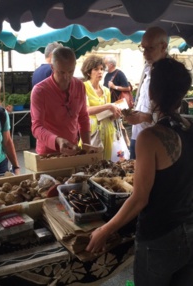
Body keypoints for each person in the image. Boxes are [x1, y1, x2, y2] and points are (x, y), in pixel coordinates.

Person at [86, 58, 193, 286]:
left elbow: (139, 199)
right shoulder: (189, 127)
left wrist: (104, 230)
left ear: (152, 91)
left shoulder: (150, 137)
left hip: (159, 236)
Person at [31, 46, 91, 155]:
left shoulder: (79, 86)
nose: (66, 77)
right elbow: (36, 127)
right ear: (52, 68)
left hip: (72, 150)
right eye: (61, 72)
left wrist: (87, 147)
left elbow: (83, 117)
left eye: (70, 71)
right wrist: (57, 140)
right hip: (48, 153)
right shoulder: (40, 91)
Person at [125, 26, 169, 159]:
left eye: (150, 48)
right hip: (137, 134)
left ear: (163, 47)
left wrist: (144, 117)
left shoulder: (171, 74)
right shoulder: (148, 67)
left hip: (155, 139)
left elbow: (171, 117)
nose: (144, 53)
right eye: (143, 48)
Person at [81, 55, 122, 160]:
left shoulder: (106, 90)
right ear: (88, 72)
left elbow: (108, 114)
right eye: (96, 69)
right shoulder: (83, 87)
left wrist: (115, 114)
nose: (100, 72)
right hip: (92, 133)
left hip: (108, 131)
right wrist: (109, 106)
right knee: (90, 163)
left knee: (107, 164)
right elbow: (86, 110)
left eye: (102, 69)